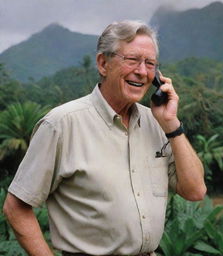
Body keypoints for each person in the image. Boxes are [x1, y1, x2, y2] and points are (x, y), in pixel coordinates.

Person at [3, 20, 206, 256]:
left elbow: (195, 191)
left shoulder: (158, 124)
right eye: (132, 60)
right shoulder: (61, 124)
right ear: (102, 63)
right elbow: (16, 207)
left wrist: (172, 124)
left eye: (150, 64)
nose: (141, 71)